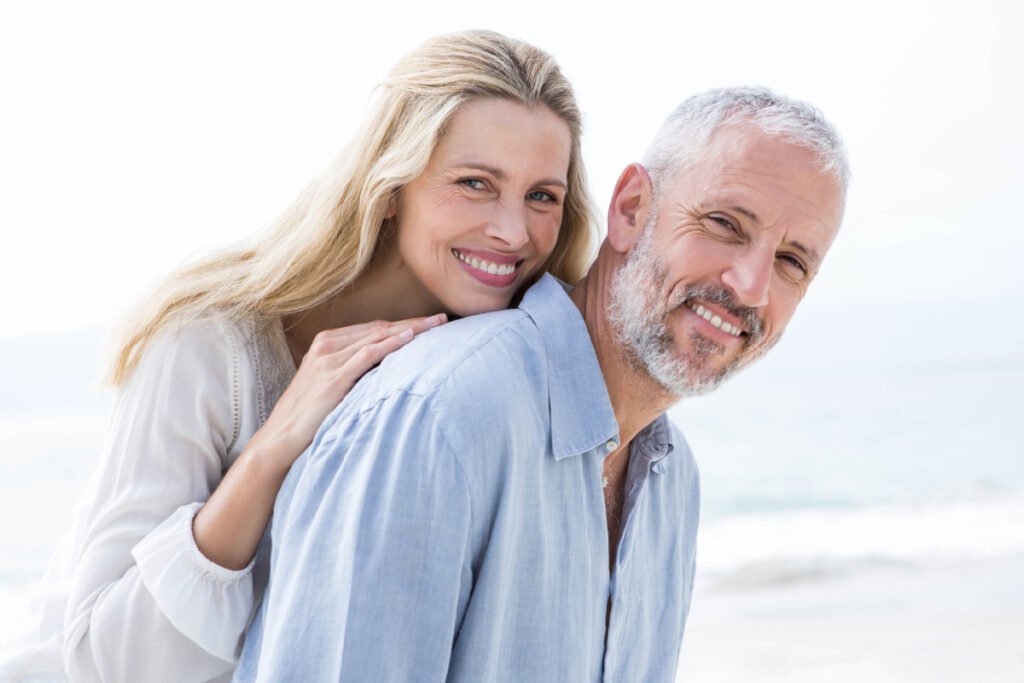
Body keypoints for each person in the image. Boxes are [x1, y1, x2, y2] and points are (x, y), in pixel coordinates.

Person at [0, 31, 596, 683]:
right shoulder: (209, 342)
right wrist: (270, 451)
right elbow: (105, 660)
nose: (513, 231)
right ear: (391, 183)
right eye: (476, 182)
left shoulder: (482, 383)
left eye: (542, 195)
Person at [233, 86, 850, 682]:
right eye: (724, 224)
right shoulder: (441, 413)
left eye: (792, 261)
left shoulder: (671, 478)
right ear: (632, 208)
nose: (750, 285)